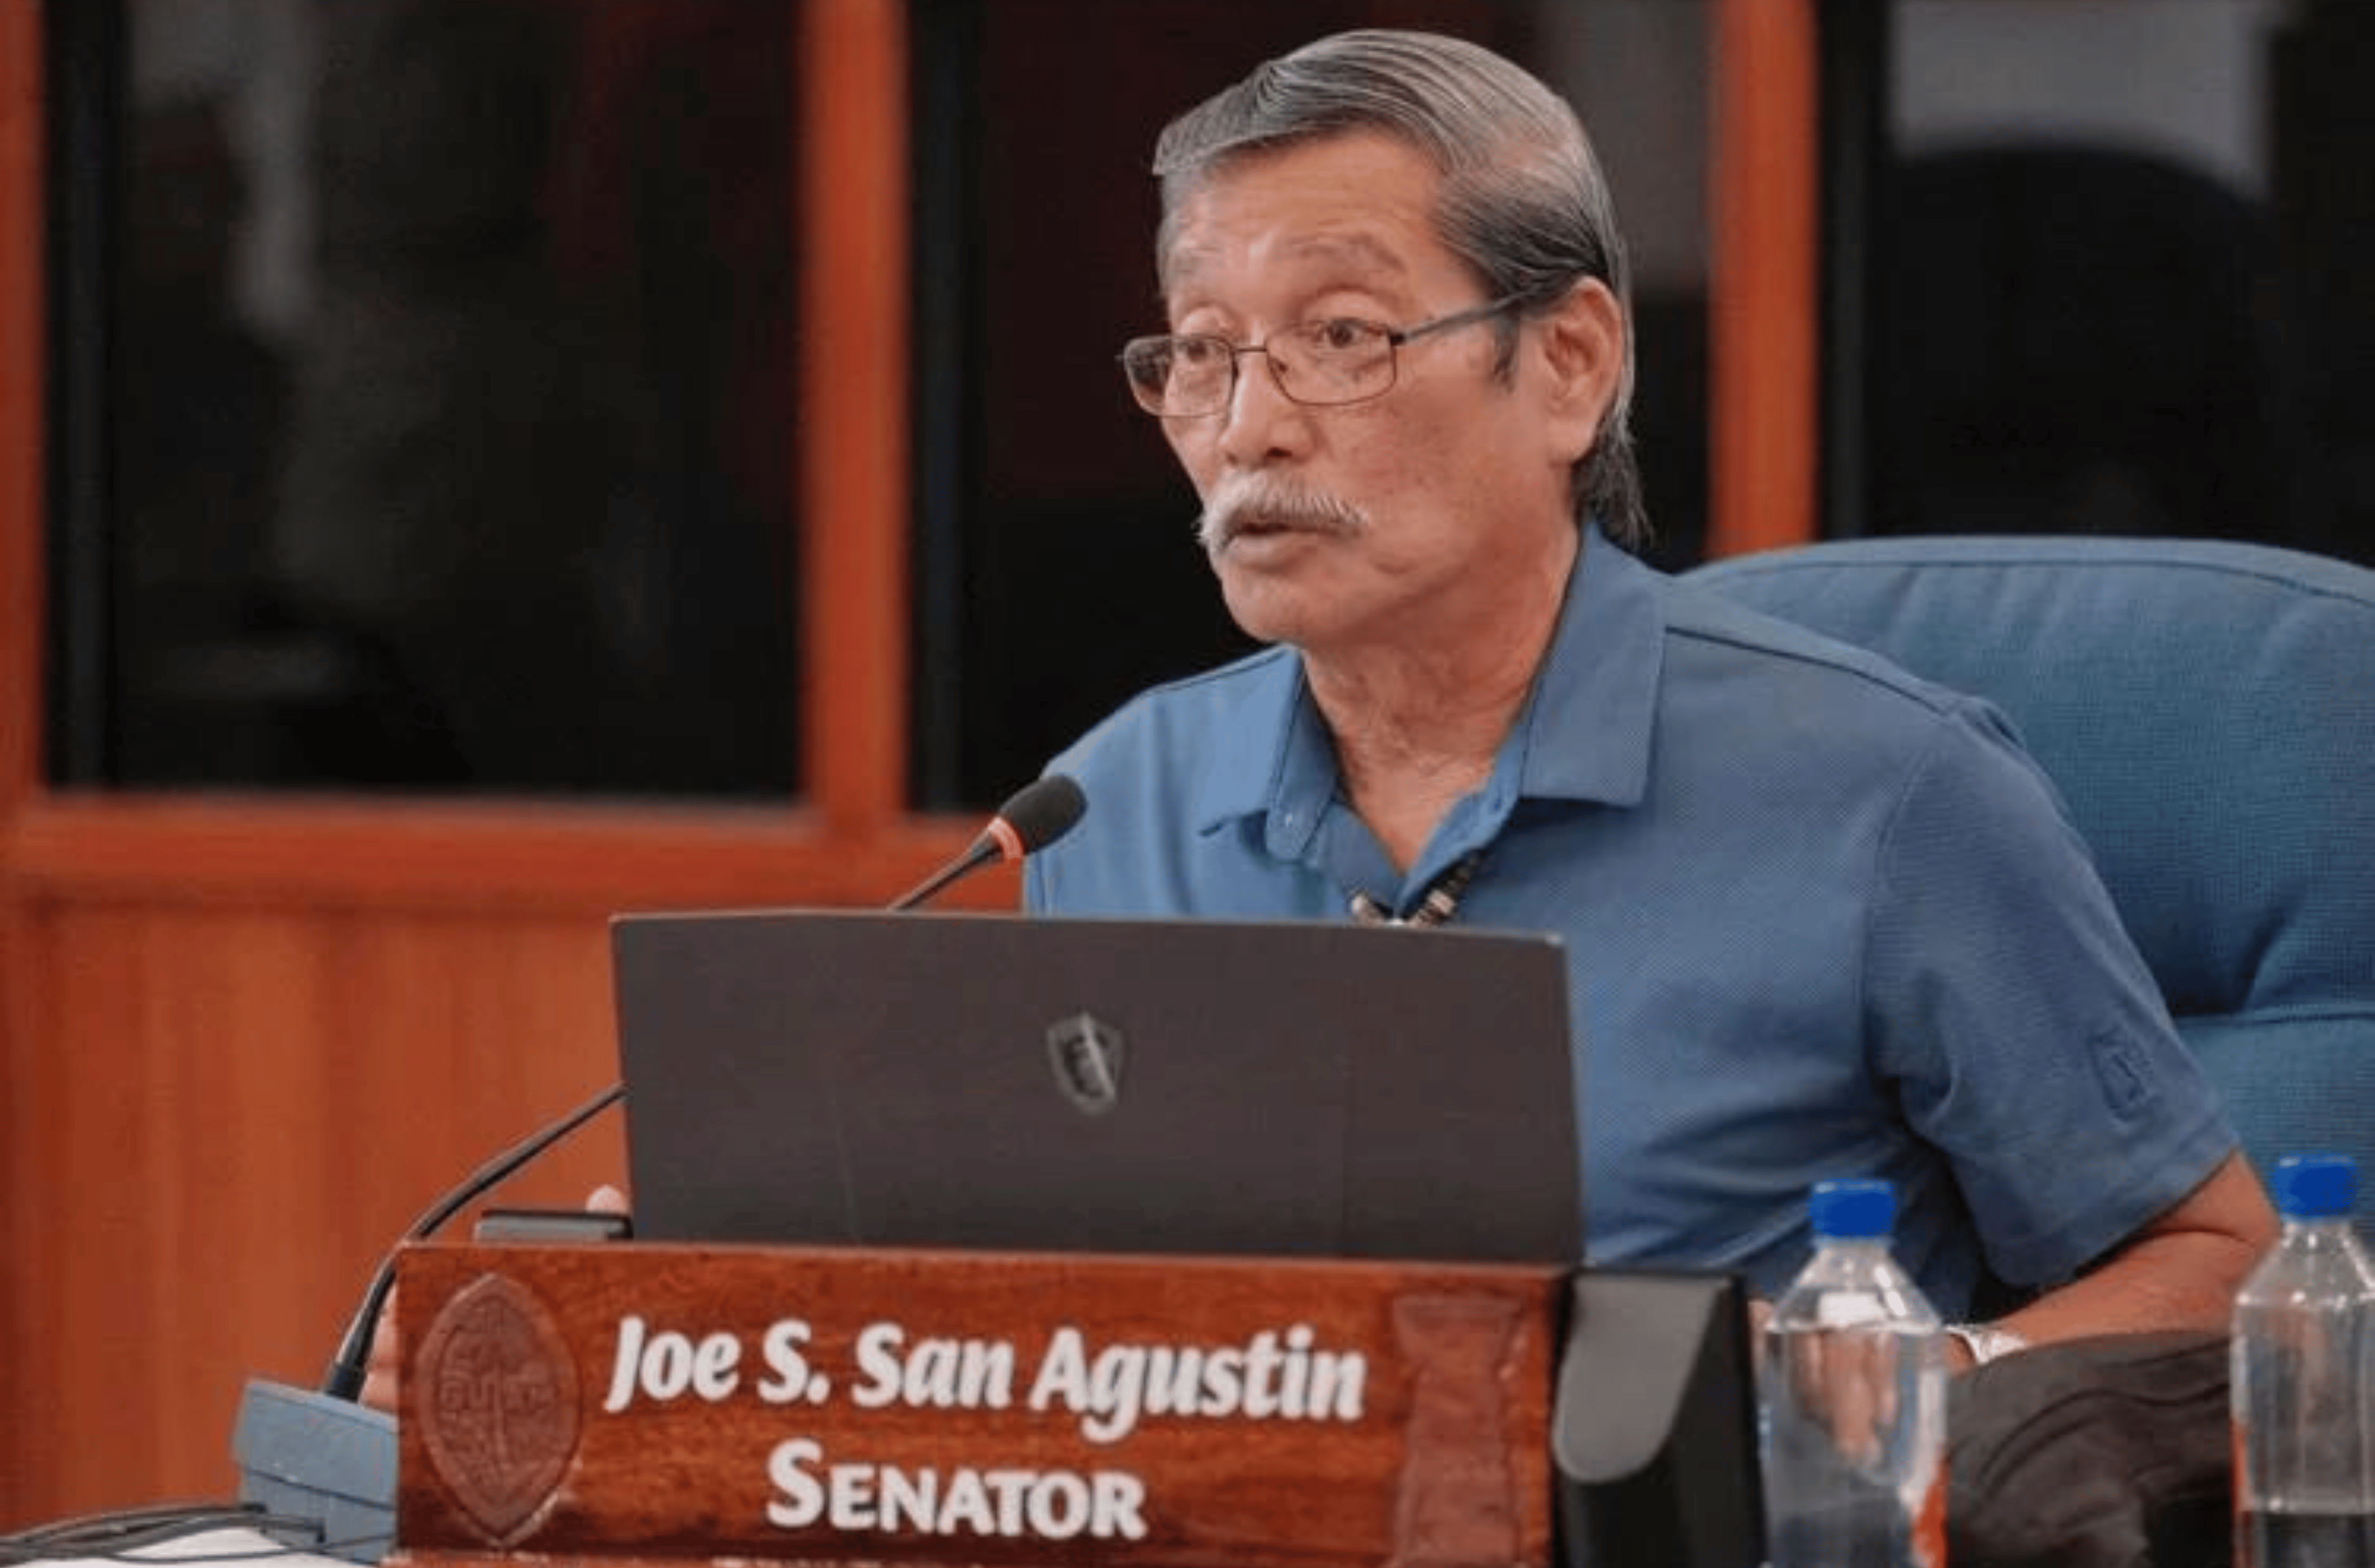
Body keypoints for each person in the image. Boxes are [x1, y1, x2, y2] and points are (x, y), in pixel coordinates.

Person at [1023, 28, 2275, 1367]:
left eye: (1340, 336)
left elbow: (2223, 1267)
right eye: (1203, 353)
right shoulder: (1107, 803)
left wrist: (1916, 1392)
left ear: (1568, 363)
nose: (1247, 429)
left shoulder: (1893, 794)